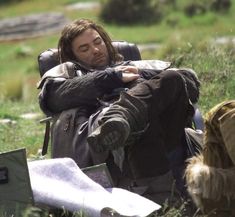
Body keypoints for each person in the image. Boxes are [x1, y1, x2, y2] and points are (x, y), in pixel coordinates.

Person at [37, 19, 200, 200]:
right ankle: (163, 198)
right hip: (108, 142)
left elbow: (189, 81)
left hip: (163, 131)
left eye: (97, 42)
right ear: (73, 55)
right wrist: (112, 77)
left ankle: (124, 115)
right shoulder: (68, 75)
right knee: (140, 122)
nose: (95, 50)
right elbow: (53, 98)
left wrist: (141, 77)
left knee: (171, 77)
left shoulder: (137, 66)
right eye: (84, 49)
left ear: (105, 41)